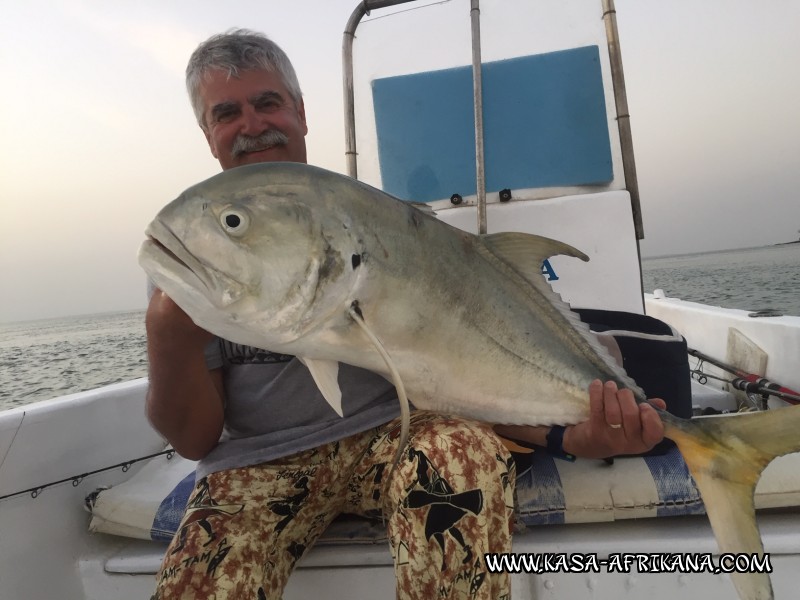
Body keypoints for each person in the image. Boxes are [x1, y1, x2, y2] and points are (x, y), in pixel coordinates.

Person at [146, 29, 665, 600]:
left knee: (463, 457)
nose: (251, 124)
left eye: (267, 102)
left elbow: (455, 370)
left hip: (394, 434)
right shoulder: (190, 255)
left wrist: (572, 434)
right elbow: (195, 439)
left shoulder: (378, 228)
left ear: (299, 112)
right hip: (259, 464)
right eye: (227, 112)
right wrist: (167, 337)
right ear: (208, 132)